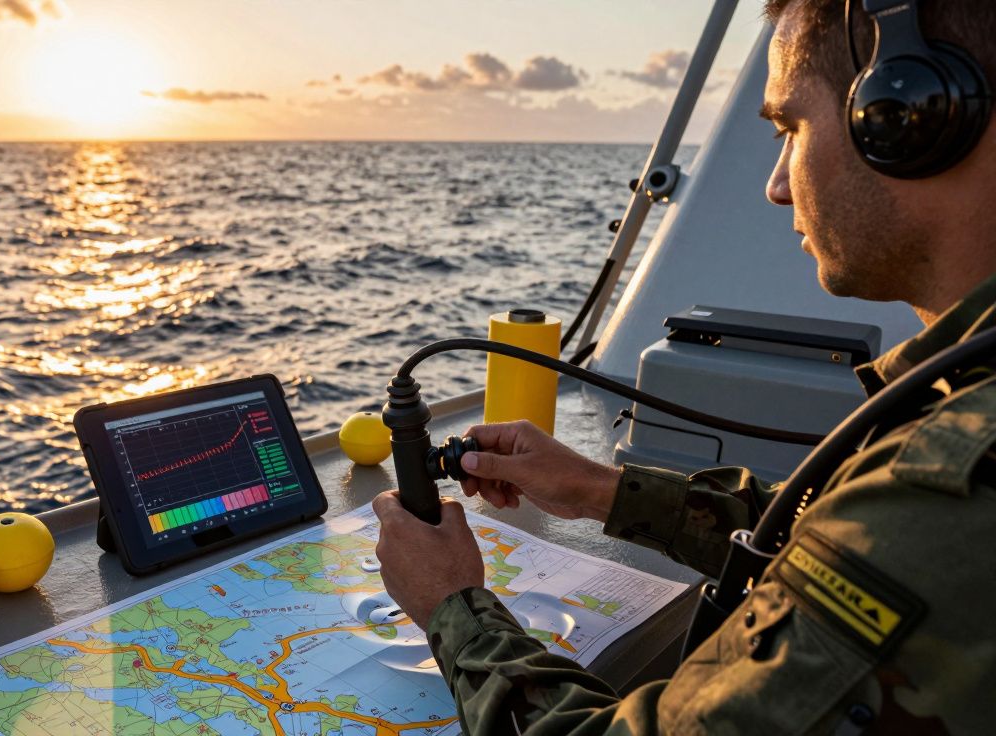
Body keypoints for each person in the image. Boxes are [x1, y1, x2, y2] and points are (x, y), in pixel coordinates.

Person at [373, 0, 996, 732]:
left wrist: (454, 607)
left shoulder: (950, 494)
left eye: (791, 128)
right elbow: (830, 536)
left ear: (908, 114)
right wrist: (598, 488)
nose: (776, 184)